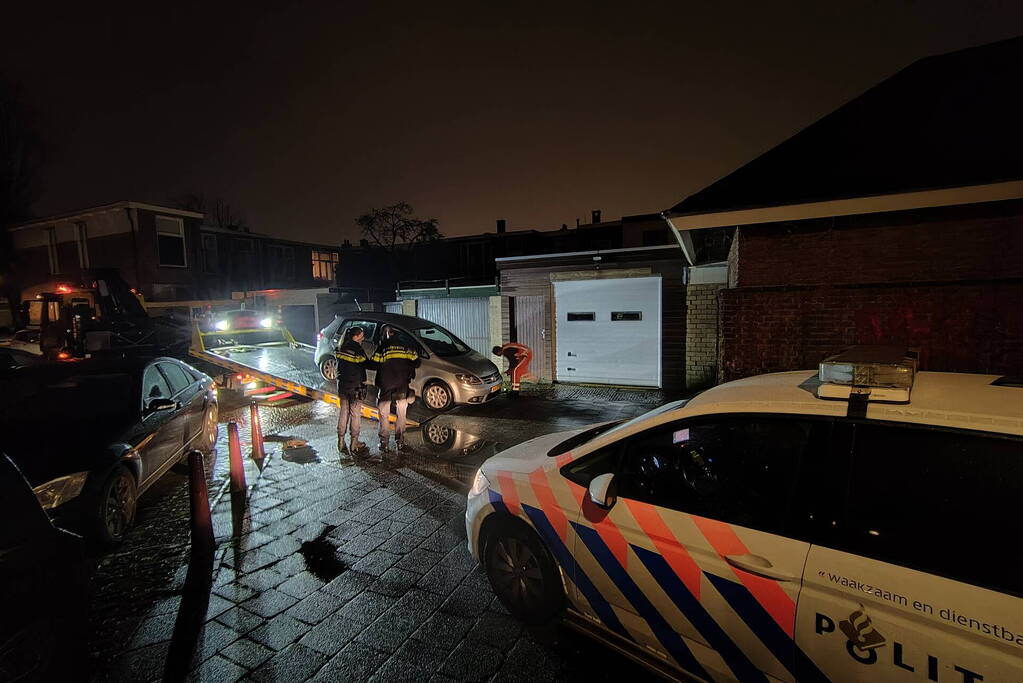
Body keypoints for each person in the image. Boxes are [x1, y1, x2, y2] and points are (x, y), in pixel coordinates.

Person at [371, 325, 420, 452]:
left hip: (385, 384)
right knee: (401, 413)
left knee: (383, 414)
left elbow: (374, 363)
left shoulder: (383, 347)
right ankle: (400, 441)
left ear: (386, 334)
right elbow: (417, 362)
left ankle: (384, 443)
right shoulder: (406, 347)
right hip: (402, 384)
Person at [335, 326, 370, 456]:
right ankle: (354, 443)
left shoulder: (340, 347)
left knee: (343, 412)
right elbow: (366, 364)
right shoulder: (358, 349)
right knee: (355, 414)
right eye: (362, 335)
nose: (363, 338)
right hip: (356, 387)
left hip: (342, 385)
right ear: (356, 336)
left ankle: (340, 441)